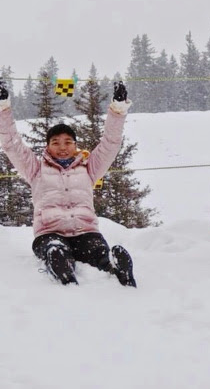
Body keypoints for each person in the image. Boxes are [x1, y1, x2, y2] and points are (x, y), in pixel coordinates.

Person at [0, 80, 137, 287]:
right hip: (49, 233)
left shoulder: (89, 168)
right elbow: (11, 144)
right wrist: (3, 108)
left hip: (85, 231)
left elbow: (110, 143)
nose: (62, 147)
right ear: (47, 147)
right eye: (55, 143)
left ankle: (116, 268)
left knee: (98, 252)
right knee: (55, 249)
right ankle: (62, 268)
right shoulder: (35, 169)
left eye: (67, 142)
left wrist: (118, 110)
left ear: (75, 146)